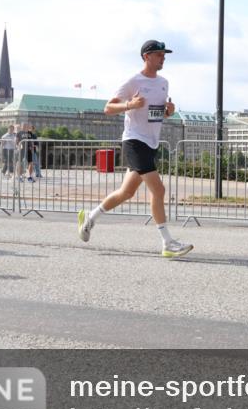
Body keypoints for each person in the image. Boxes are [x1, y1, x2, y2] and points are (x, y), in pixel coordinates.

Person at [77, 39, 192, 259]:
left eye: (164, 54)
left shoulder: (164, 83)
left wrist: (169, 111)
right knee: (158, 190)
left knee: (126, 192)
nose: (163, 57)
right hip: (134, 141)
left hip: (151, 143)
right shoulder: (133, 81)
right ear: (146, 57)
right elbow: (108, 108)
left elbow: (157, 114)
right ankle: (167, 242)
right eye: (159, 54)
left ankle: (89, 220)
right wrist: (130, 105)